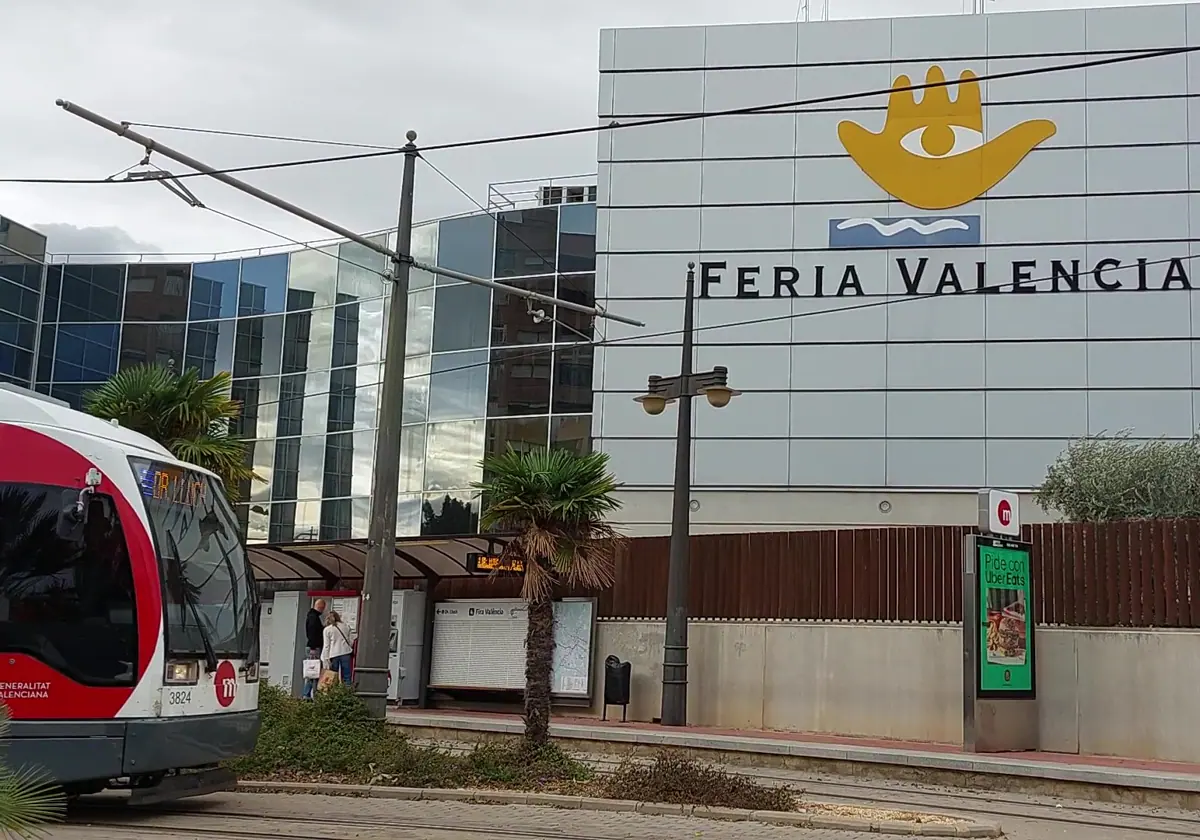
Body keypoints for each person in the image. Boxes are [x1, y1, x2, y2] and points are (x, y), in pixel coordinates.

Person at [321, 610, 354, 686]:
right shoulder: (346, 626)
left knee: (333, 675)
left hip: (333, 654)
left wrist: (325, 658)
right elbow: (351, 641)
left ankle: (334, 693)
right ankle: (347, 692)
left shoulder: (327, 630)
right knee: (346, 675)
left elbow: (327, 646)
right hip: (346, 652)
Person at [301, 598, 325, 699]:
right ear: (320, 607)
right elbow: (313, 633)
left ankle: (309, 694)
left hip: (312, 646)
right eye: (323, 608)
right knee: (313, 671)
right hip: (313, 648)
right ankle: (307, 695)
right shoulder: (313, 618)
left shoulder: (312, 616)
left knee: (312, 671)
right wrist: (313, 647)